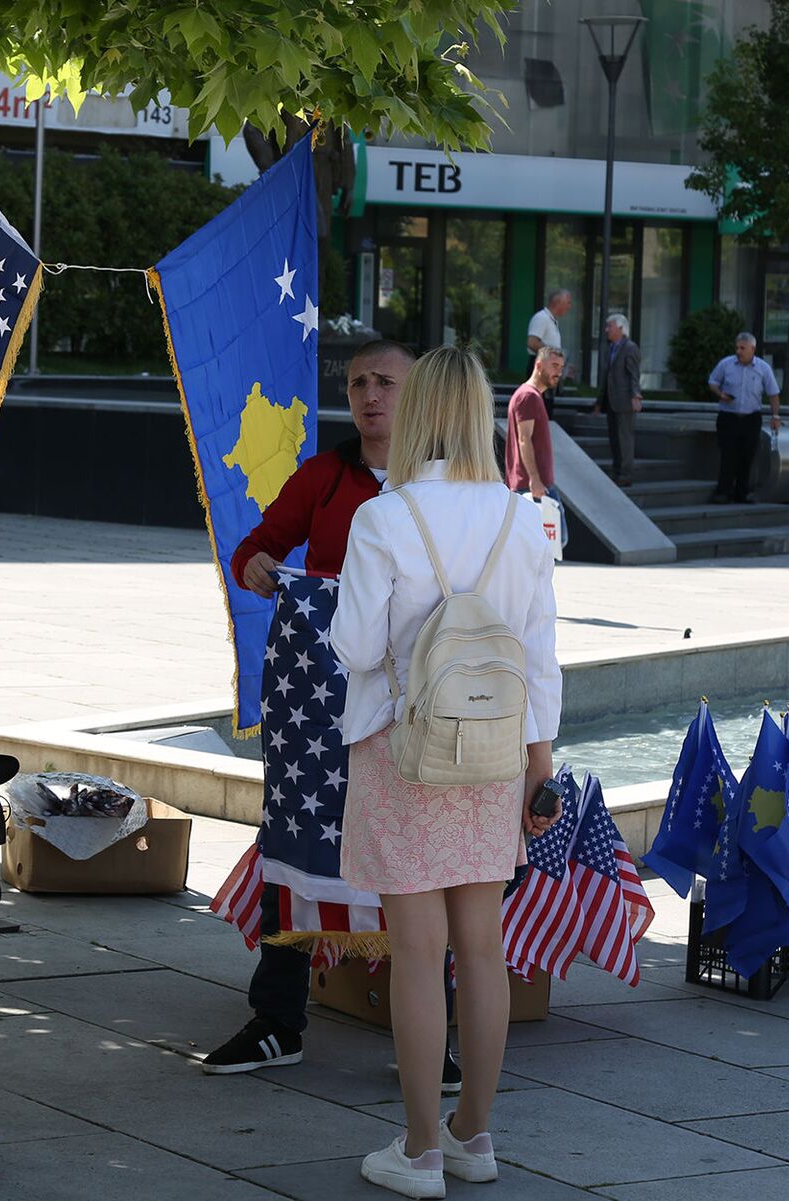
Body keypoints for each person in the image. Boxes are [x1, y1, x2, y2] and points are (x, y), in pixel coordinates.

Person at [208, 339, 471, 1086]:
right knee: (293, 835)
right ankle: (277, 1020)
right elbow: (255, 551)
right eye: (357, 382)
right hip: (320, 711)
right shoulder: (323, 477)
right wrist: (257, 567)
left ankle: (435, 1035)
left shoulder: (451, 485)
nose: (369, 394)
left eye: (385, 381)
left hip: (419, 709)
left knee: (423, 858)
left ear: (418, 391)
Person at [333, 346, 562, 1199]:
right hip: (498, 755)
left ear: (420, 407)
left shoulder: (384, 519)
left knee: (418, 952)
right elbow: (540, 661)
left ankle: (421, 1149)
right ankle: (476, 1136)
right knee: (484, 949)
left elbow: (355, 647)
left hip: (405, 750)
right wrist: (542, 767)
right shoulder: (523, 520)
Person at [706, 332, 782, 504]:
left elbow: (773, 393)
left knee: (747, 455)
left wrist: (775, 416)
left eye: (743, 348)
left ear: (752, 349)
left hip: (751, 418)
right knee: (728, 454)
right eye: (737, 347)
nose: (739, 351)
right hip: (728, 417)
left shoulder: (763, 368)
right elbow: (712, 382)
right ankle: (723, 492)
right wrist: (721, 394)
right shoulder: (726, 364)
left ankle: (742, 492)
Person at [592, 313, 643, 487]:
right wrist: (599, 402)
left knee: (625, 439)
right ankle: (617, 471)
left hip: (625, 401)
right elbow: (607, 377)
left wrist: (636, 395)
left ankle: (626, 473)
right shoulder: (611, 348)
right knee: (614, 438)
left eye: (610, 326)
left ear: (621, 328)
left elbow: (633, 374)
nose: (607, 330)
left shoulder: (630, 348)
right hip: (611, 402)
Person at [506, 346, 561, 502]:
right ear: (538, 365)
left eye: (561, 367)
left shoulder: (532, 396)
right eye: (554, 366)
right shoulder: (528, 396)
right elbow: (524, 439)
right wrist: (535, 479)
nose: (559, 373)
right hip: (534, 488)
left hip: (536, 487)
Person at [524, 289, 570, 415]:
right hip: (540, 367)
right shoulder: (542, 318)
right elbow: (532, 342)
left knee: (546, 409)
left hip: (546, 368)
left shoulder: (551, 321)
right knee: (539, 410)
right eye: (568, 302)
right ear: (558, 302)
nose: (569, 306)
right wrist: (553, 358)